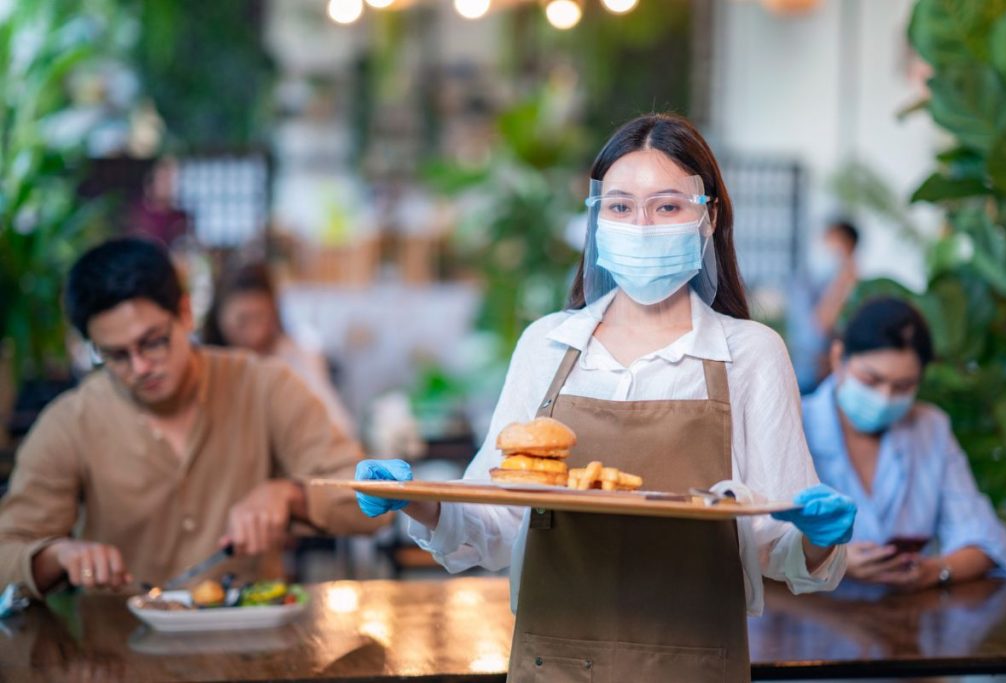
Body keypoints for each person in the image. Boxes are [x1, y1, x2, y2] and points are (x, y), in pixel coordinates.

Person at [353, 113, 856, 682]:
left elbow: (776, 543)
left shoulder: (752, 354)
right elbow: (494, 521)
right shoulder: (546, 344)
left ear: (708, 217)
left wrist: (816, 539)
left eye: (666, 206)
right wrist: (416, 500)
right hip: (553, 665)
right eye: (620, 207)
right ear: (597, 219)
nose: (640, 225)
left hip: (694, 666)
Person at [0, 238, 387, 597]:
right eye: (116, 355)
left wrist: (291, 495)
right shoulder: (72, 421)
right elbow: (8, 550)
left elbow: (373, 500)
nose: (140, 367)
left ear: (185, 312)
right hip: (119, 656)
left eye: (153, 341)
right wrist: (58, 555)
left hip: (253, 650)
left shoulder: (264, 385)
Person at [803, 297, 1006, 590]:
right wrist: (829, 561)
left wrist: (936, 570)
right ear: (838, 357)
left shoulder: (931, 429)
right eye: (870, 380)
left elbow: (986, 540)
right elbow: (753, 540)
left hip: (904, 621)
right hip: (804, 621)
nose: (884, 397)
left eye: (904, 387)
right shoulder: (794, 421)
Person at [202, 262, 355, 436]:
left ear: (274, 312)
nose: (256, 334)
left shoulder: (297, 356)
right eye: (242, 321)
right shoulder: (207, 368)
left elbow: (340, 426)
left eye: (261, 317)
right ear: (219, 317)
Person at [789, 220, 860, 393]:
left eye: (832, 241)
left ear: (847, 245)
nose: (825, 246)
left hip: (821, 373)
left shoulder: (849, 281)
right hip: (803, 366)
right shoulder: (815, 277)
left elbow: (822, 323)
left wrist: (844, 279)